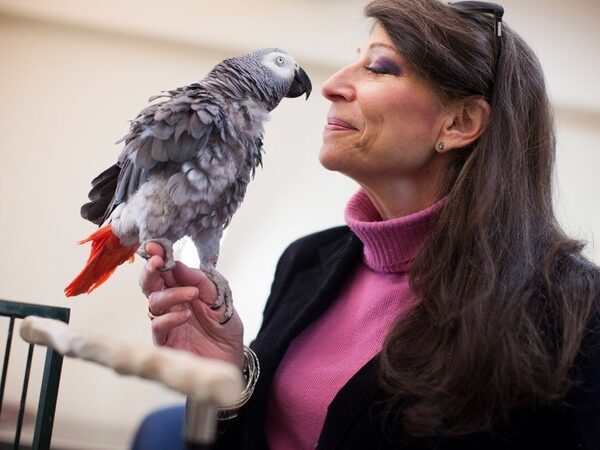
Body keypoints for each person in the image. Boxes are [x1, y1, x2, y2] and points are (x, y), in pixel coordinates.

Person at [136, 0, 600, 448]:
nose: (331, 85)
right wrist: (226, 380)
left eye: (378, 67)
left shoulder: (575, 312)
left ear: (459, 123)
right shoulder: (306, 261)